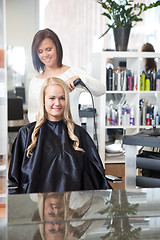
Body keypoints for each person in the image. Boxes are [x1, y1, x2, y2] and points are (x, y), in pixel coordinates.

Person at [8, 77, 111, 194]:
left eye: (62, 98)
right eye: (52, 98)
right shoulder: (27, 134)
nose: (57, 103)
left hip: (72, 206)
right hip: (35, 207)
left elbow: (96, 177)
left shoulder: (78, 134)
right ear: (43, 100)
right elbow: (14, 181)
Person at [28, 28, 106, 125]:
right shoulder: (35, 82)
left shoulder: (73, 73)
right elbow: (32, 115)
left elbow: (102, 90)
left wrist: (81, 79)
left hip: (72, 136)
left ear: (57, 48)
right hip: (46, 138)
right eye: (40, 51)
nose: (45, 55)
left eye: (49, 49)